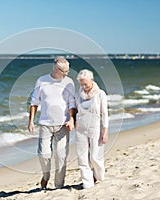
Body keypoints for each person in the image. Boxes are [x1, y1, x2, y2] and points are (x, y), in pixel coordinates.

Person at [28, 57, 76, 189]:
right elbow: (34, 102)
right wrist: (31, 121)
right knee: (43, 154)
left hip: (63, 125)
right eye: (64, 71)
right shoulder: (42, 81)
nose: (66, 74)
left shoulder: (69, 82)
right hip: (45, 124)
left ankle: (58, 187)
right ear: (56, 69)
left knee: (61, 157)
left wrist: (71, 119)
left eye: (68, 71)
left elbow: (72, 103)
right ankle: (46, 176)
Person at [75, 69, 109, 189]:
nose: (84, 87)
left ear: (92, 80)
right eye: (81, 84)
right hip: (80, 129)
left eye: (86, 84)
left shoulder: (100, 94)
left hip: (96, 128)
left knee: (94, 157)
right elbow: (76, 110)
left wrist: (105, 131)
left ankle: (99, 176)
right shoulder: (78, 94)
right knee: (82, 158)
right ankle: (87, 184)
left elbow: (104, 114)